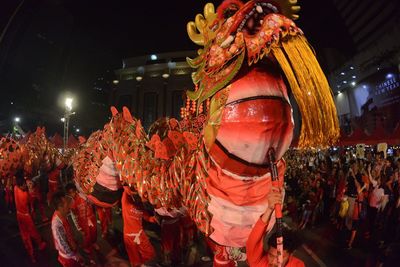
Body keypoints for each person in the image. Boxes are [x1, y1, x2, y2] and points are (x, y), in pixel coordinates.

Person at [246, 186, 305, 267]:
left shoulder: (298, 265)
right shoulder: (259, 262)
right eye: (271, 255)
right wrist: (269, 209)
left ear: (290, 255)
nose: (273, 262)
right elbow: (254, 241)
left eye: (279, 257)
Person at [14, 170, 47, 263]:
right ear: (21, 185)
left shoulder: (15, 188)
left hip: (18, 214)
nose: (25, 185)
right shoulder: (25, 195)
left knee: (24, 235)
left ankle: (31, 254)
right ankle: (40, 245)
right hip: (25, 216)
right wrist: (30, 190)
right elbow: (29, 201)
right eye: (24, 185)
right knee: (33, 232)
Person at [121, 186, 157, 267]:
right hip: (129, 237)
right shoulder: (126, 202)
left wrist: (155, 219)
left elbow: (147, 217)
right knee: (135, 260)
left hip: (141, 234)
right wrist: (136, 187)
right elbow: (126, 188)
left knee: (150, 254)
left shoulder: (141, 206)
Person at [51, 191, 83, 267]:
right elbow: (62, 244)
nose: (69, 205)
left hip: (72, 251)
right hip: (69, 258)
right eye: (66, 203)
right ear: (60, 206)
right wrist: (73, 256)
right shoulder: (56, 225)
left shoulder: (63, 214)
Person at [65, 183, 99, 255]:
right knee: (86, 236)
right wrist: (79, 228)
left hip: (91, 218)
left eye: (73, 192)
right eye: (70, 193)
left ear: (75, 190)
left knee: (94, 232)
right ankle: (86, 247)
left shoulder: (83, 195)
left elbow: (91, 203)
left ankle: (94, 243)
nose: (72, 194)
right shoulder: (71, 203)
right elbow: (74, 217)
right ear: (68, 194)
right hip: (83, 222)